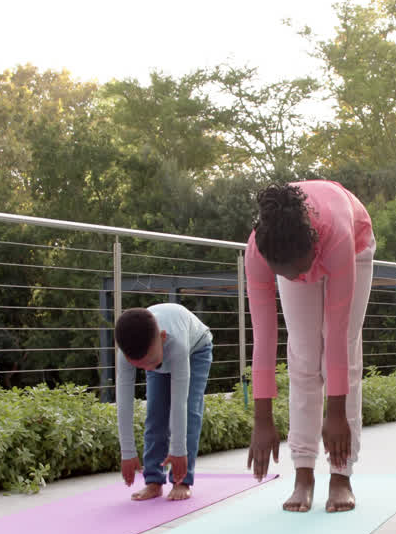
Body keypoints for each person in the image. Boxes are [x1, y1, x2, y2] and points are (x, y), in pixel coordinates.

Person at [244, 180, 375, 513]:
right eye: (285, 274)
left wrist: (336, 414)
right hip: (301, 247)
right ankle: (303, 474)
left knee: (344, 345)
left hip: (352, 247)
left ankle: (341, 475)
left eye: (301, 269)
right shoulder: (260, 251)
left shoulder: (337, 235)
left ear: (312, 247)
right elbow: (264, 336)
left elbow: (337, 335)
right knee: (302, 354)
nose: (300, 278)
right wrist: (262, 420)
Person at [115, 304, 213, 501]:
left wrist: (178, 450)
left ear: (163, 337)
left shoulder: (177, 345)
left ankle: (181, 480)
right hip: (160, 350)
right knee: (155, 414)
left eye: (149, 362)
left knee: (191, 413)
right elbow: (124, 404)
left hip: (196, 349)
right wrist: (127, 452)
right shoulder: (129, 353)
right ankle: (153, 481)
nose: (147, 368)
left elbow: (180, 404)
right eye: (140, 366)